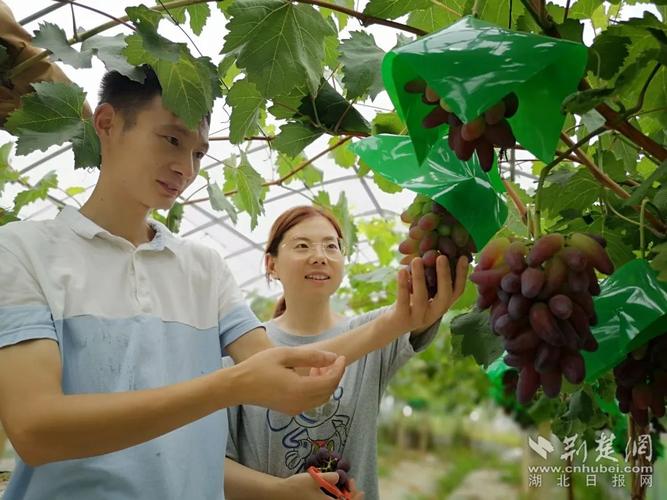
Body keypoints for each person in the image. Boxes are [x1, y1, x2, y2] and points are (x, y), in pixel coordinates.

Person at [0, 67, 464, 500]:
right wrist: (228, 386)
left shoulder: (205, 269)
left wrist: (397, 321)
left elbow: (287, 376)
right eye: (171, 139)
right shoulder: (22, 250)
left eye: (199, 152)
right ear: (106, 123)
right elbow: (37, 430)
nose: (186, 166)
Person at [222, 206, 469, 500]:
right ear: (271, 265)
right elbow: (216, 464)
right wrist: (283, 492)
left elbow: (416, 310)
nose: (320, 256)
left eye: (331, 246)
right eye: (302, 246)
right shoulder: (241, 346)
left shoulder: (376, 329)